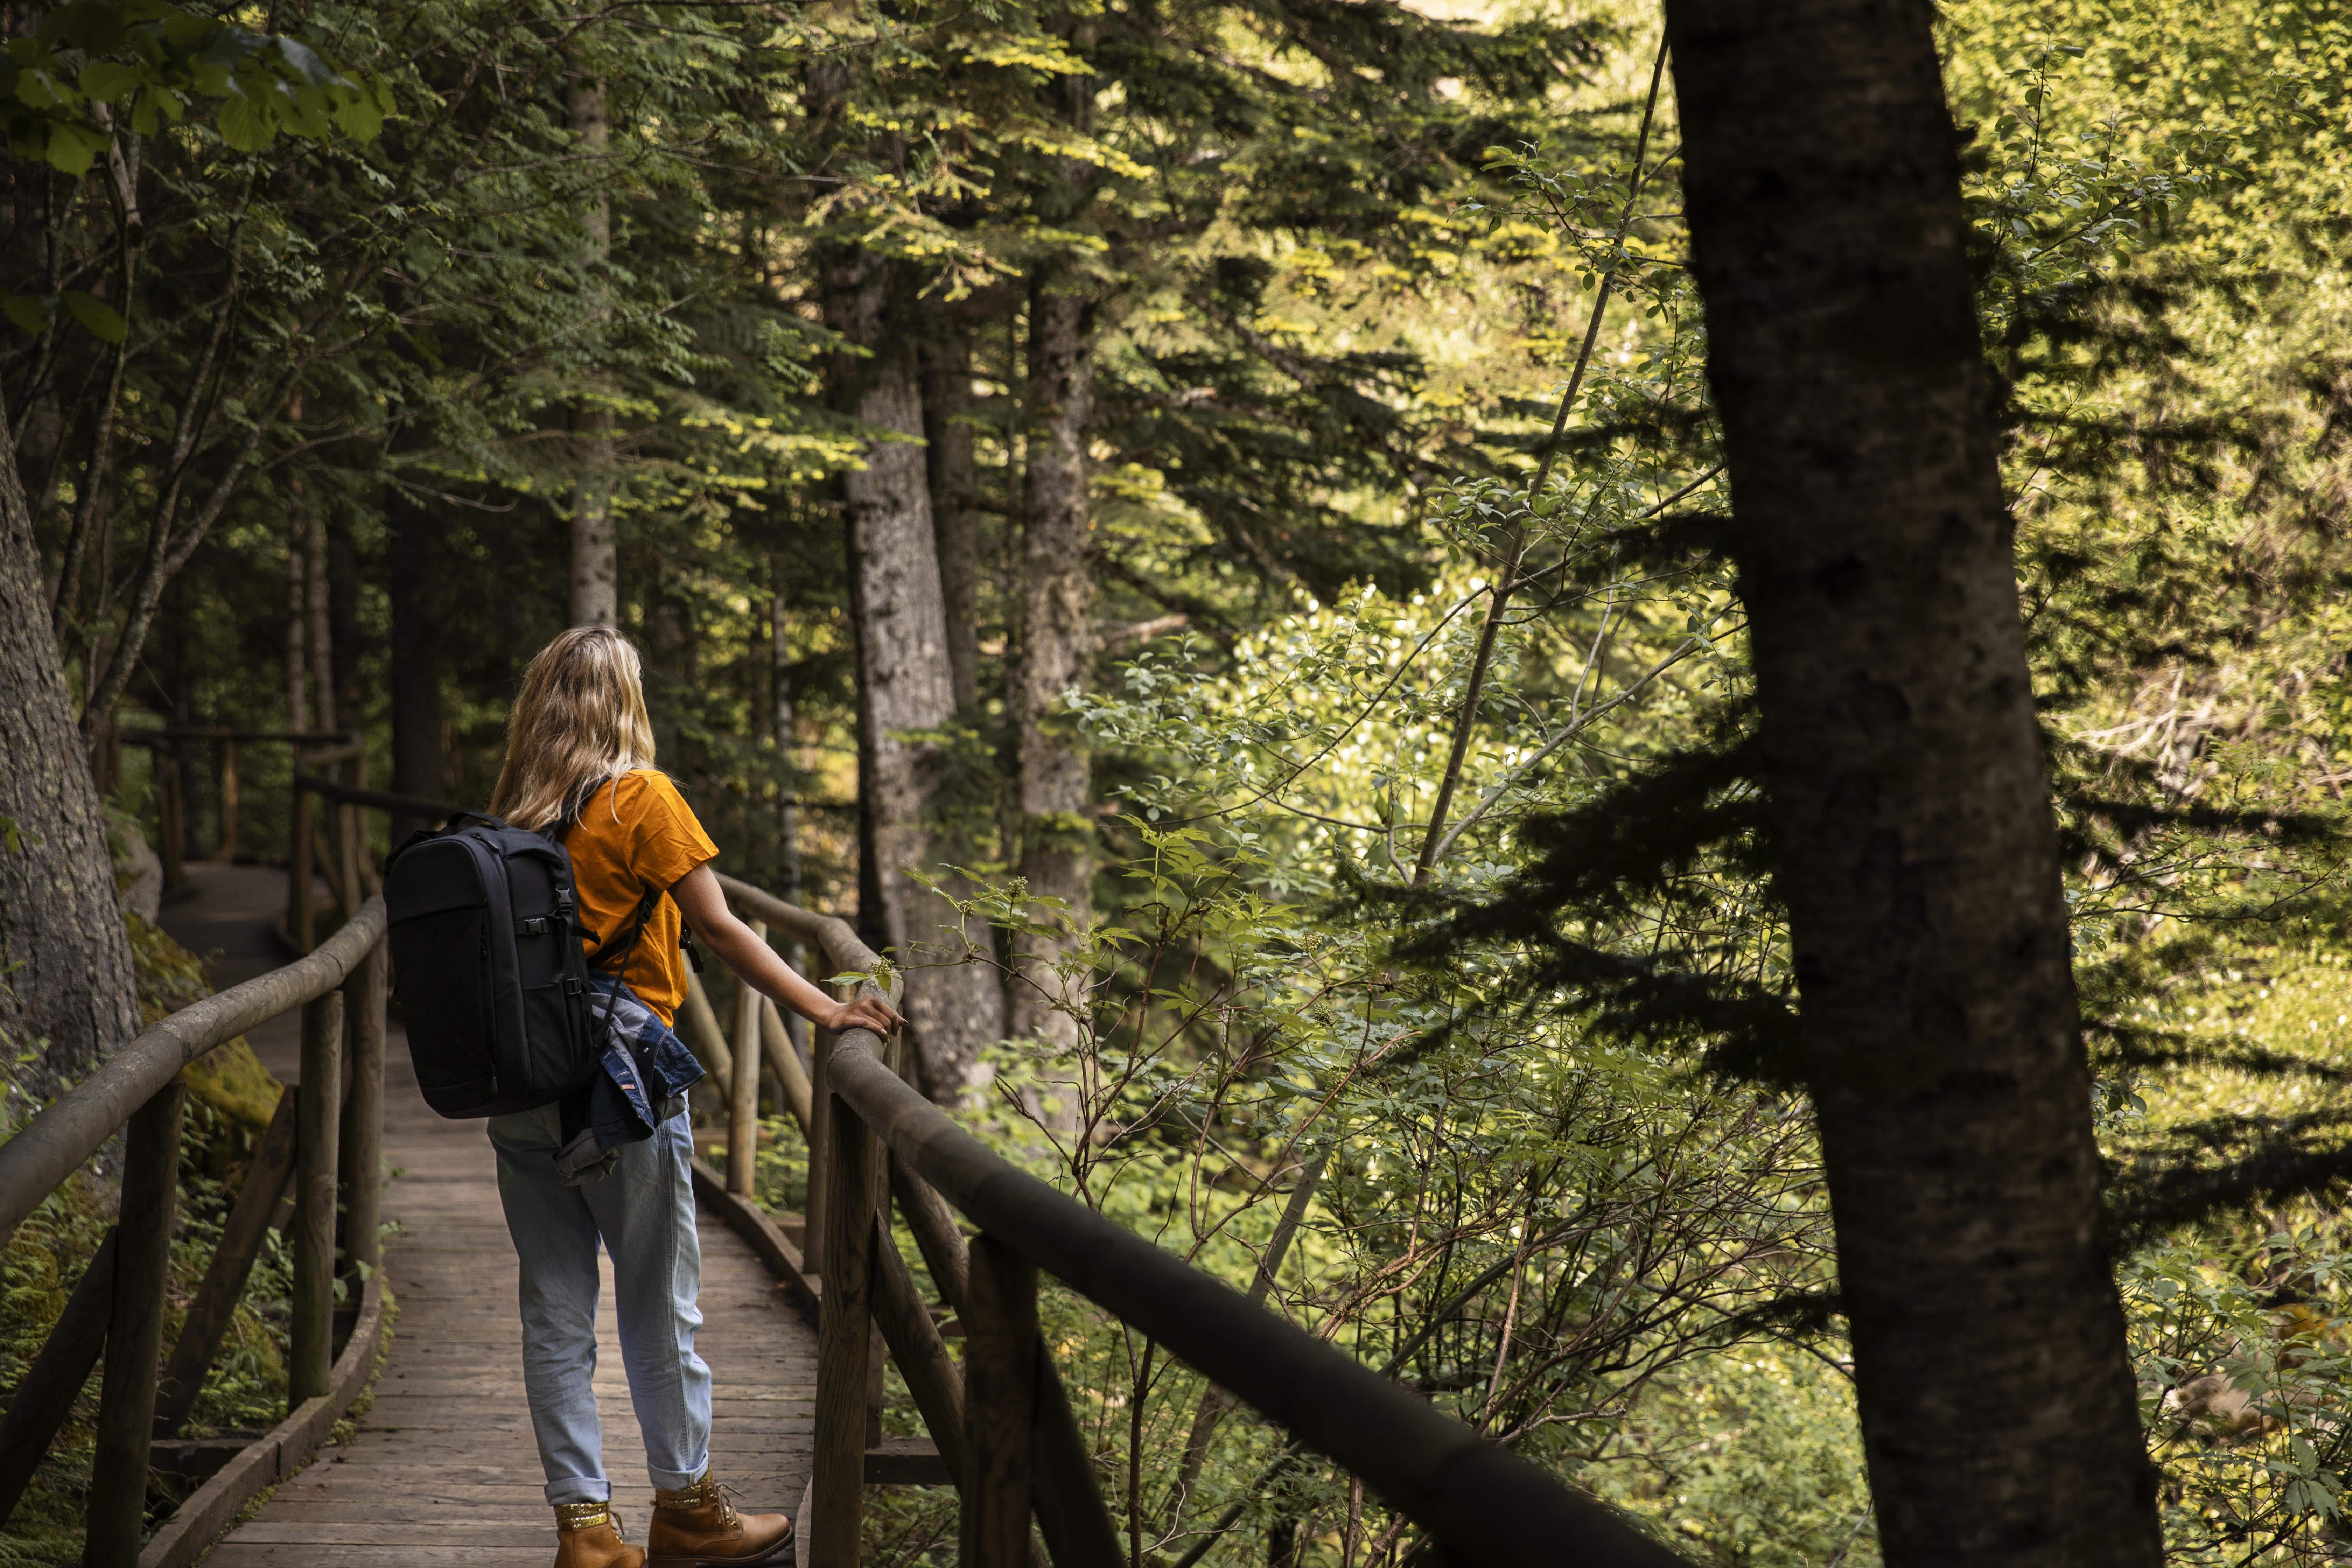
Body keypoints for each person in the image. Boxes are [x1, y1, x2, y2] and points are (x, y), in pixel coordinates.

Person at [484, 626, 901, 1568]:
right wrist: (824, 1009)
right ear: (625, 701)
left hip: (524, 1088)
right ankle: (688, 1510)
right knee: (658, 1302)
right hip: (621, 1089)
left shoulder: (512, 817)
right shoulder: (641, 796)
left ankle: (585, 1533)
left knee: (553, 1304)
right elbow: (719, 929)